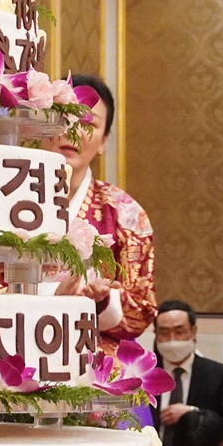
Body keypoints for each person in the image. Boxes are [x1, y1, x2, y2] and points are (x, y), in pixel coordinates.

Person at [55, 72, 156, 350]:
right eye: (64, 118)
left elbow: (143, 310)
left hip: (91, 359)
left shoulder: (125, 213)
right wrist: (52, 297)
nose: (72, 132)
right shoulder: (4, 202)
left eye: (88, 123)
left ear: (103, 142)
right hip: (14, 347)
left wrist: (101, 301)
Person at [153, 298, 223, 429]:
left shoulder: (218, 375)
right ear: (155, 334)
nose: (172, 339)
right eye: (164, 333)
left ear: (193, 331)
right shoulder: (145, 375)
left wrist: (194, 413)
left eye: (179, 332)